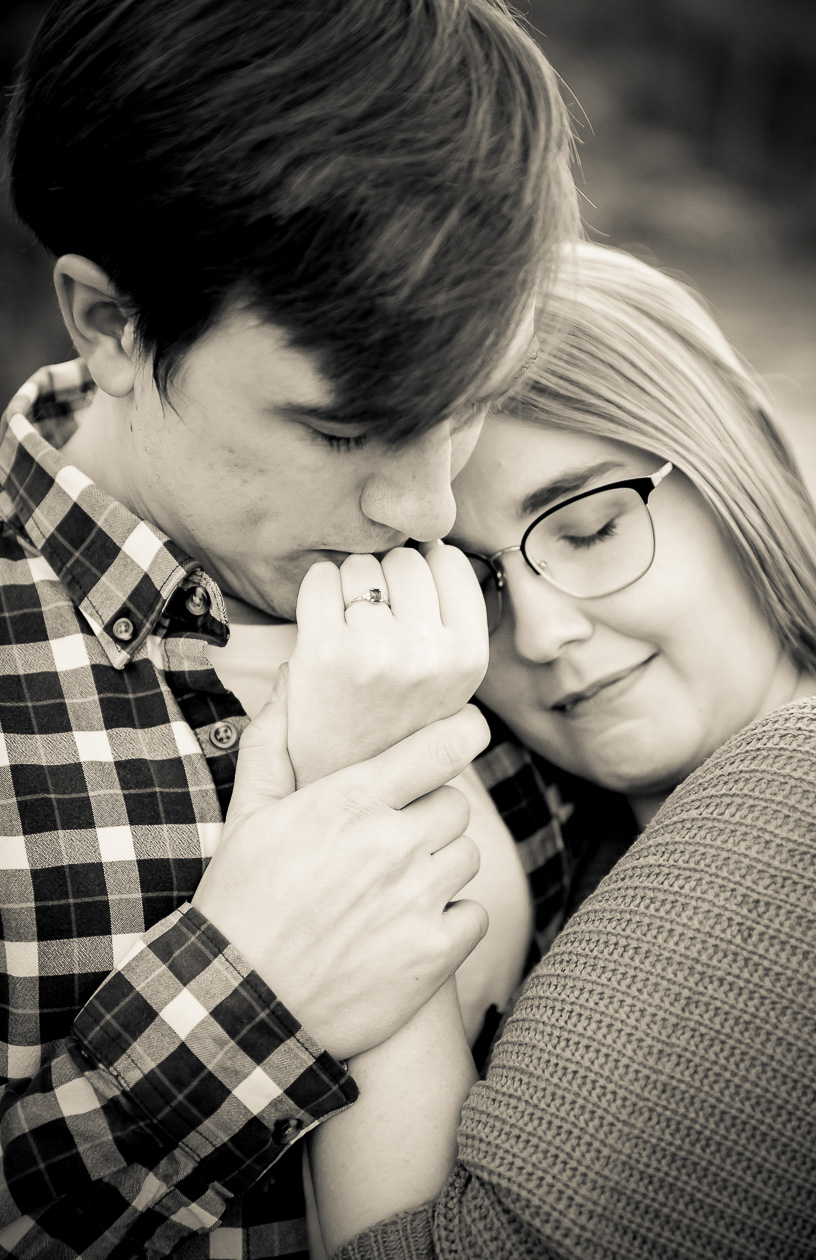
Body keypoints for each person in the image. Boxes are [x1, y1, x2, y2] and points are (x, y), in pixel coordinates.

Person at [0, 1, 578, 1255]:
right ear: (109, 323)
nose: (423, 506)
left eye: (468, 404)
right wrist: (248, 997)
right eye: (337, 429)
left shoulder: (523, 586)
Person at [304, 244, 816, 1259]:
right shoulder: (575, 835)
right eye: (480, 586)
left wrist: (362, 785)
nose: (544, 633)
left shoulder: (810, 780)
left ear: (737, 469)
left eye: (590, 529)